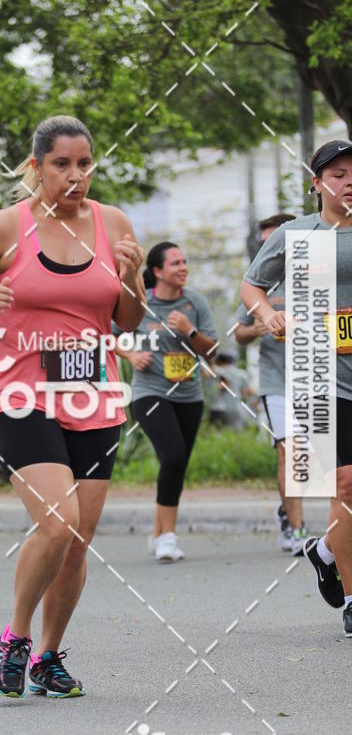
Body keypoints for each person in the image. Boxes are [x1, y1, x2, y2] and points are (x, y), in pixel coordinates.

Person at [0, 115, 145, 697]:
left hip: (95, 393)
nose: (75, 176)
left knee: (78, 537)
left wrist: (132, 279)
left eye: (84, 164)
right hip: (20, 392)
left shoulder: (113, 224)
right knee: (56, 524)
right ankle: (14, 639)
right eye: (62, 165)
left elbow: (126, 321)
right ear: (36, 167)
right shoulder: (5, 227)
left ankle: (49, 659)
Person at [241, 140, 352, 636]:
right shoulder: (296, 233)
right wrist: (269, 315)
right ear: (317, 183)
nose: (349, 181)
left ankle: (325, 551)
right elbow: (251, 286)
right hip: (318, 376)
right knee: (346, 485)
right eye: (339, 173)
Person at [115, 242, 218, 562]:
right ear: (158, 271)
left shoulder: (195, 302)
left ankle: (159, 533)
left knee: (176, 464)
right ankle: (169, 537)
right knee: (172, 456)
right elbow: (108, 333)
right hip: (150, 393)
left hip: (189, 395)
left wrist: (190, 332)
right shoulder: (140, 302)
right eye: (175, 263)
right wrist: (131, 354)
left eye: (185, 261)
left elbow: (211, 350)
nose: (183, 267)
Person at [235, 213, 305, 553]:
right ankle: (297, 529)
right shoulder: (259, 284)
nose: (271, 248)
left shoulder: (323, 274)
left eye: (275, 241)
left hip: (323, 378)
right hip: (278, 383)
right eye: (265, 244)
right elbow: (238, 334)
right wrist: (258, 327)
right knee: (289, 454)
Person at [207, 351, 253, 430]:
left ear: (218, 361)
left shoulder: (214, 370)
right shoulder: (241, 373)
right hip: (235, 408)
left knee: (216, 433)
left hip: (215, 408)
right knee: (235, 434)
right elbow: (250, 391)